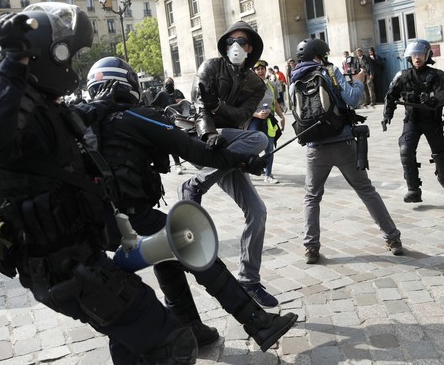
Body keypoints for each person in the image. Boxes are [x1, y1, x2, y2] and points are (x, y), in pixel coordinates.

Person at [0, 2, 199, 364]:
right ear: (45, 57)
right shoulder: (14, 108)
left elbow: (78, 123)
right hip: (64, 270)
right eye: (65, 58)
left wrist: (108, 103)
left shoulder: (43, 105)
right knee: (170, 342)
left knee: (130, 342)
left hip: (79, 260)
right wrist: (13, 64)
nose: (70, 67)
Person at [86, 56, 298, 351]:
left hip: (96, 228)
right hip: (134, 218)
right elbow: (198, 153)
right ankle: (257, 322)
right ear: (127, 84)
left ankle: (189, 324)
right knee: (194, 244)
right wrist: (243, 159)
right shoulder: (136, 117)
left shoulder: (80, 122)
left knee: (165, 253)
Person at [177, 20, 279, 308]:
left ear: (250, 48)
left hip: (230, 144)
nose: (236, 45)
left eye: (242, 41)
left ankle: (249, 281)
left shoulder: (257, 83)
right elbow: (199, 107)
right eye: (231, 40)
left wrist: (247, 162)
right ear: (224, 45)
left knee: (257, 211)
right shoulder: (210, 67)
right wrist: (208, 133)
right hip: (203, 136)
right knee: (258, 141)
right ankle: (194, 185)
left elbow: (239, 118)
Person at [290, 38, 403, 264]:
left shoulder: (294, 81)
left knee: (311, 197)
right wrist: (359, 81)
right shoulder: (329, 72)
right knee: (366, 190)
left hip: (314, 147)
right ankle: (392, 238)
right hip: (342, 143)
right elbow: (353, 98)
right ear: (318, 56)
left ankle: (311, 247)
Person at [382, 39, 444, 203]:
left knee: (441, 154)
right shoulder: (403, 76)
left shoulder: (438, 75)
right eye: (415, 55)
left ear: (427, 55)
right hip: (413, 120)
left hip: (432, 121)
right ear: (410, 56)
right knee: (406, 150)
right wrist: (387, 114)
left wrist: (433, 100)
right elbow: (391, 96)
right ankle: (413, 189)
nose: (417, 58)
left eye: (421, 55)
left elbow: (442, 94)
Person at [251, 60, 285, 183]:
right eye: (257, 69)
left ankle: (268, 174)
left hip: (268, 119)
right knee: (251, 146)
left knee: (269, 147)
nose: (260, 71)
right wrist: (257, 114)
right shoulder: (249, 85)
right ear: (254, 71)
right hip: (253, 119)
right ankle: (248, 171)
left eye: (262, 68)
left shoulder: (271, 84)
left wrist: (281, 116)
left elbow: (275, 103)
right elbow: (244, 107)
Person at [152, 77, 187, 175]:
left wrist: (181, 101)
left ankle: (184, 161)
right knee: (173, 142)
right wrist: (161, 111)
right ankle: (177, 164)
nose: (169, 86)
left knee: (181, 141)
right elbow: (154, 105)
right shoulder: (161, 94)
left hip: (180, 120)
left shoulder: (178, 93)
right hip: (168, 121)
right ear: (164, 86)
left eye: (171, 84)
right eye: (167, 85)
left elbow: (185, 104)